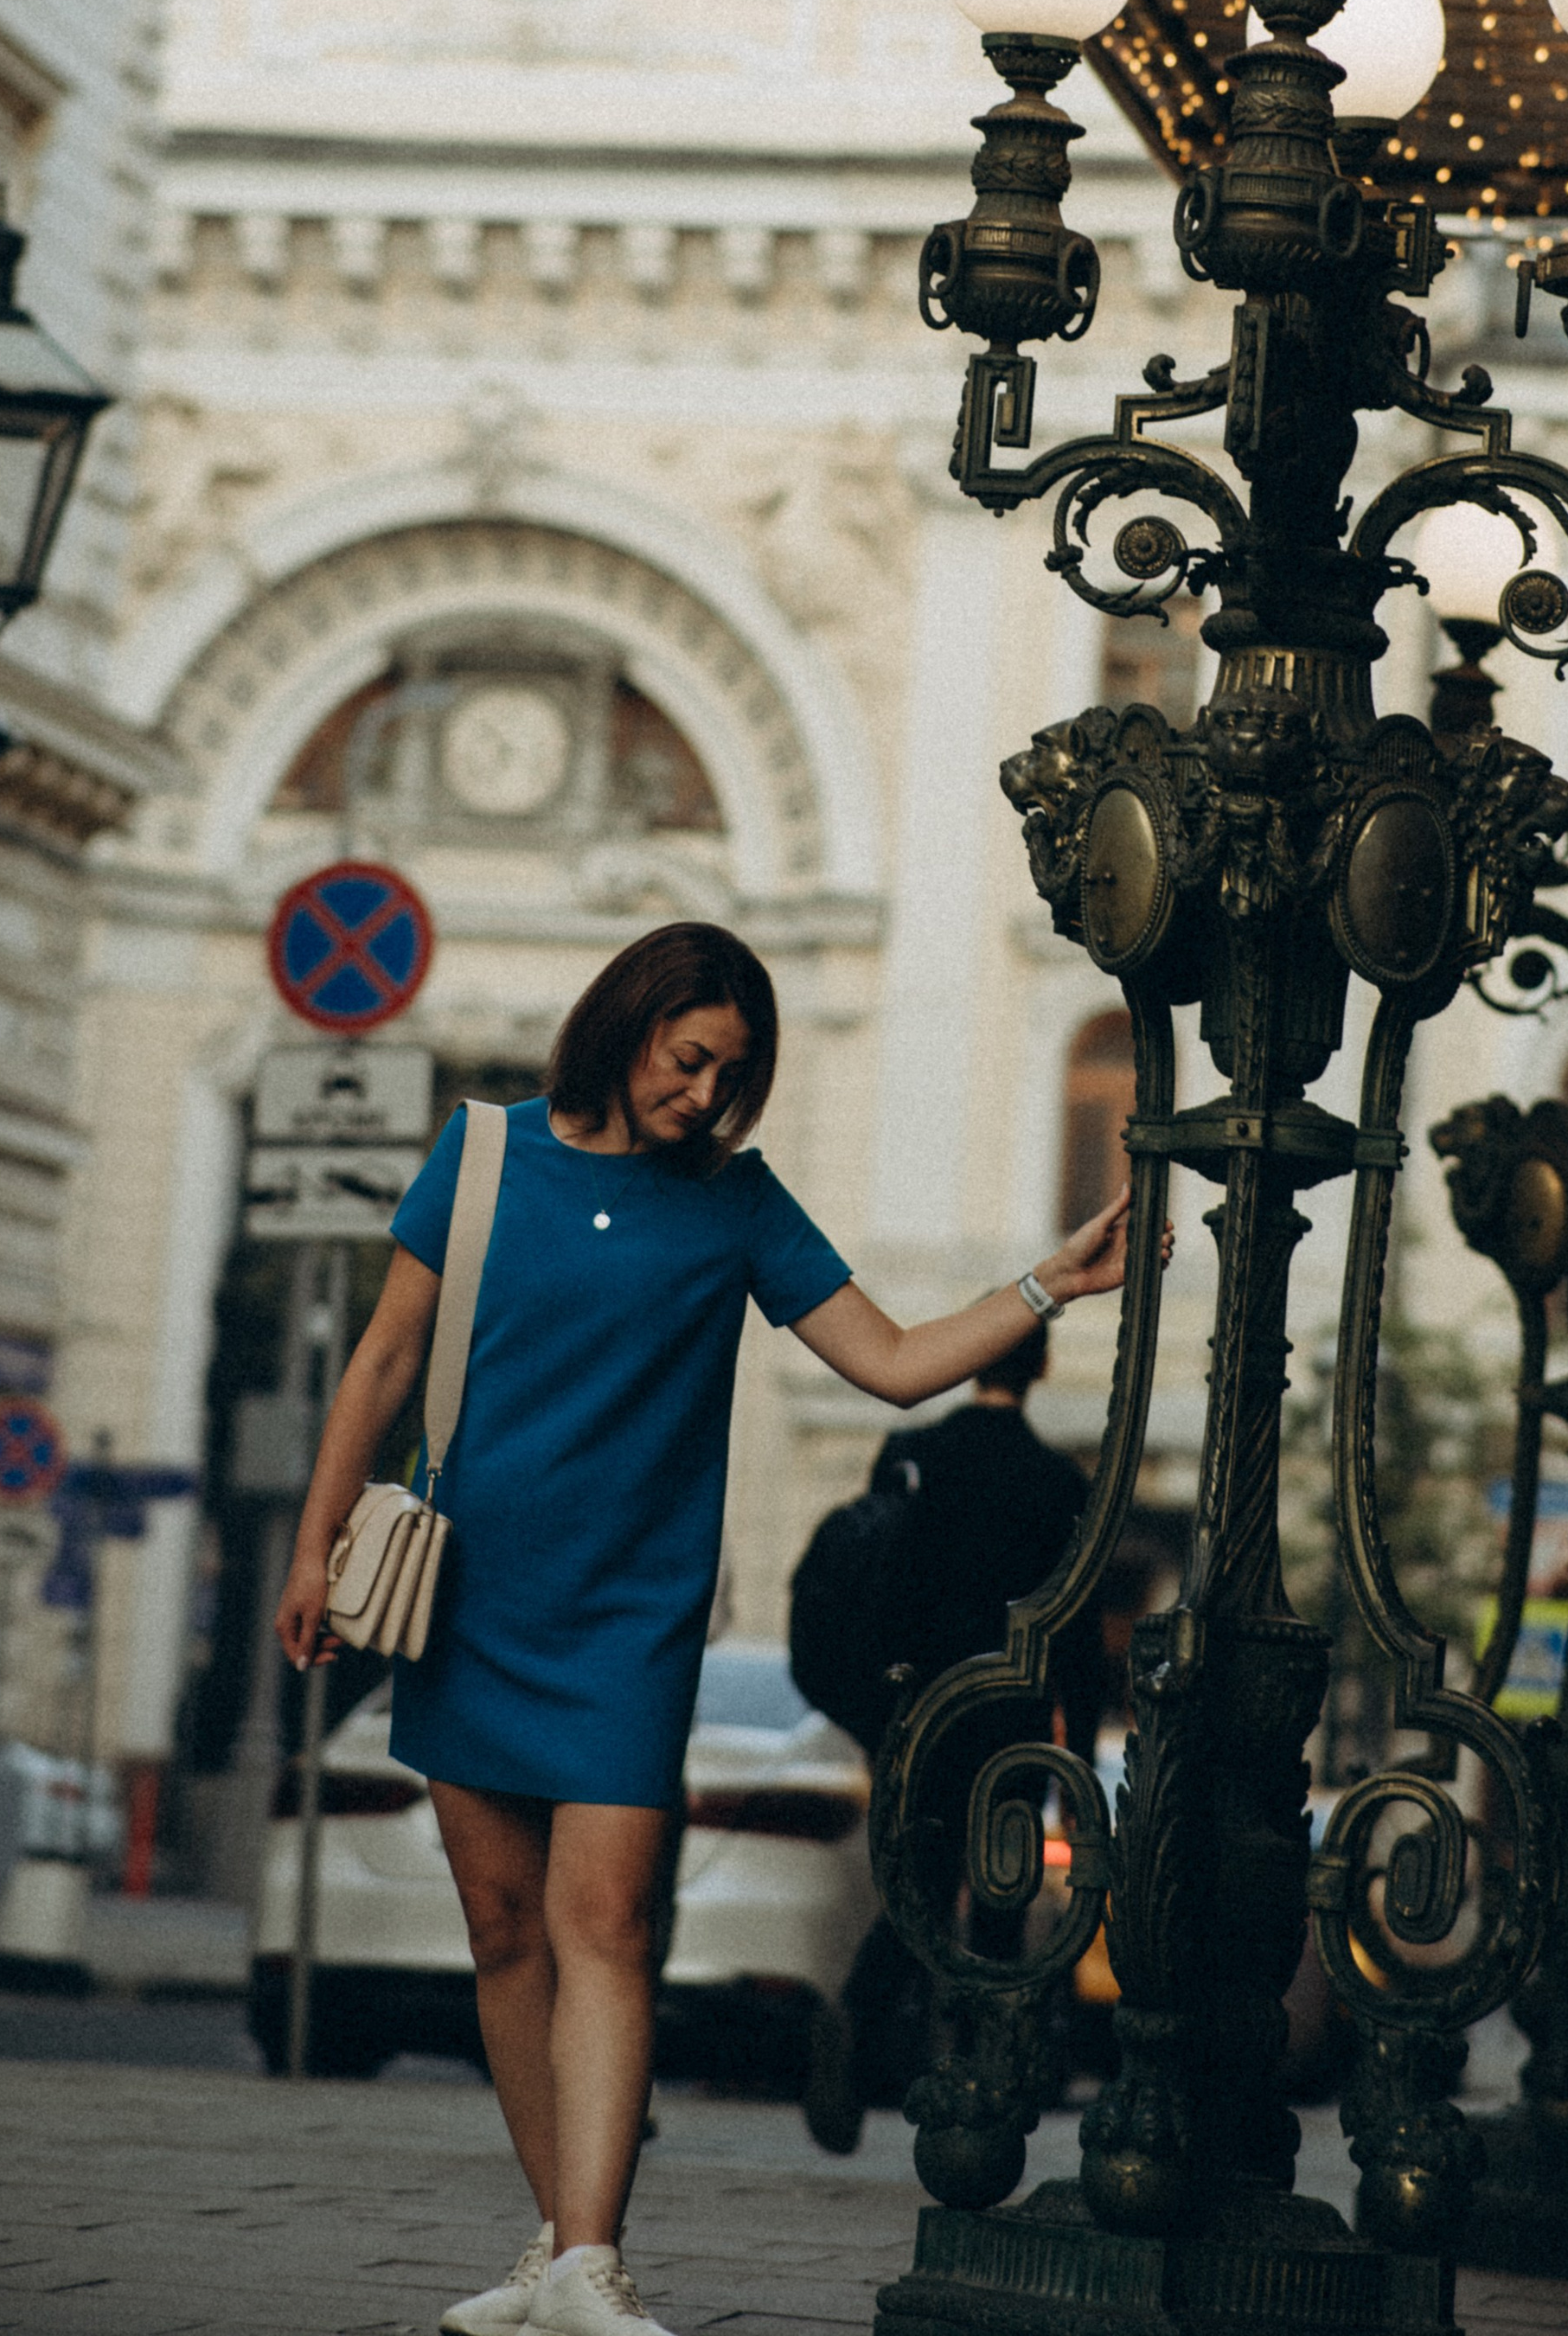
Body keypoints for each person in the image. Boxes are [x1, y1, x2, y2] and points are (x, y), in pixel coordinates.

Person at [273, 922, 1149, 2336]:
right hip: (469, 1592)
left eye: (730, 1075)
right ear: (629, 1026)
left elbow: (892, 1363)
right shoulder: (486, 1156)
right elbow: (381, 1360)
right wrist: (314, 1549)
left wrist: (1050, 1284)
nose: (704, 1095)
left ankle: (593, 2267)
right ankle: (554, 2249)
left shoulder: (738, 1205)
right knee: (502, 1931)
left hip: (630, 1614)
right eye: (690, 1061)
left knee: (605, 1921)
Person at [799, 1322, 1105, 2155]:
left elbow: (874, 1585)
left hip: (920, 1715)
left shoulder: (913, 1455)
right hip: (1011, 1724)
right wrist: (1074, 1758)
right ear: (1041, 1365)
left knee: (921, 1890)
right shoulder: (1057, 1483)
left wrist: (875, 1714)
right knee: (999, 1907)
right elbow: (1077, 1638)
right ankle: (981, 2087)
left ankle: (861, 2020)